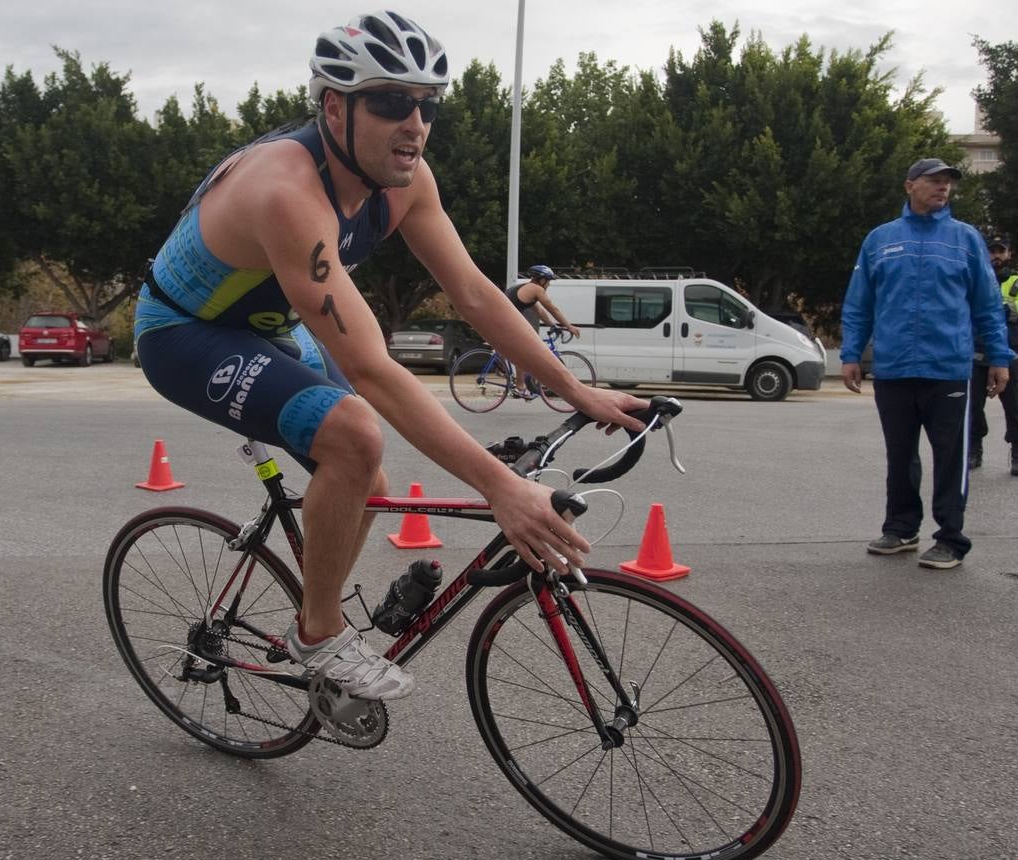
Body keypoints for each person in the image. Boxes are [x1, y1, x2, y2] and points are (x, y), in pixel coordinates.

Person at [133, 10, 646, 700]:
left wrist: (576, 390)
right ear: (334, 108)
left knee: (364, 479)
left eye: (428, 104)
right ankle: (317, 637)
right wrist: (501, 489)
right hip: (182, 332)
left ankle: (316, 616)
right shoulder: (286, 190)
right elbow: (373, 368)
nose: (415, 122)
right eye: (391, 102)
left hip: (268, 324)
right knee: (354, 433)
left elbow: (474, 294)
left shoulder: (408, 181)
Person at [839, 158, 1013, 570]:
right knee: (900, 454)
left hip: (948, 368)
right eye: (934, 181)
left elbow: (988, 306)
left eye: (948, 182)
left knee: (950, 456)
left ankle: (951, 538)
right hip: (895, 367)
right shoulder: (880, 240)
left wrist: (998, 357)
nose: (943, 188)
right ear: (910, 185)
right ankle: (901, 527)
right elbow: (859, 302)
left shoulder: (965, 239)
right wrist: (851, 354)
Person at [969, 236, 1018, 475]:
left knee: (1014, 408)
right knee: (973, 407)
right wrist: (1001, 310)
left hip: (1009, 351)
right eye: (992, 251)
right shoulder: (975, 278)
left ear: (1009, 254)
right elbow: (967, 312)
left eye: (1001, 251)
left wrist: (990, 311)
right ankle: (974, 449)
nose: (996, 255)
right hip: (977, 350)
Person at [504, 264, 581, 397]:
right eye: (548, 281)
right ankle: (520, 387)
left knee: (523, 350)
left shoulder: (527, 289)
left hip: (504, 319)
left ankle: (516, 380)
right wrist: (569, 326)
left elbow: (540, 311)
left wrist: (553, 325)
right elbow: (552, 308)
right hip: (506, 320)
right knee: (524, 352)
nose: (549, 285)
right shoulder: (536, 289)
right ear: (542, 280)